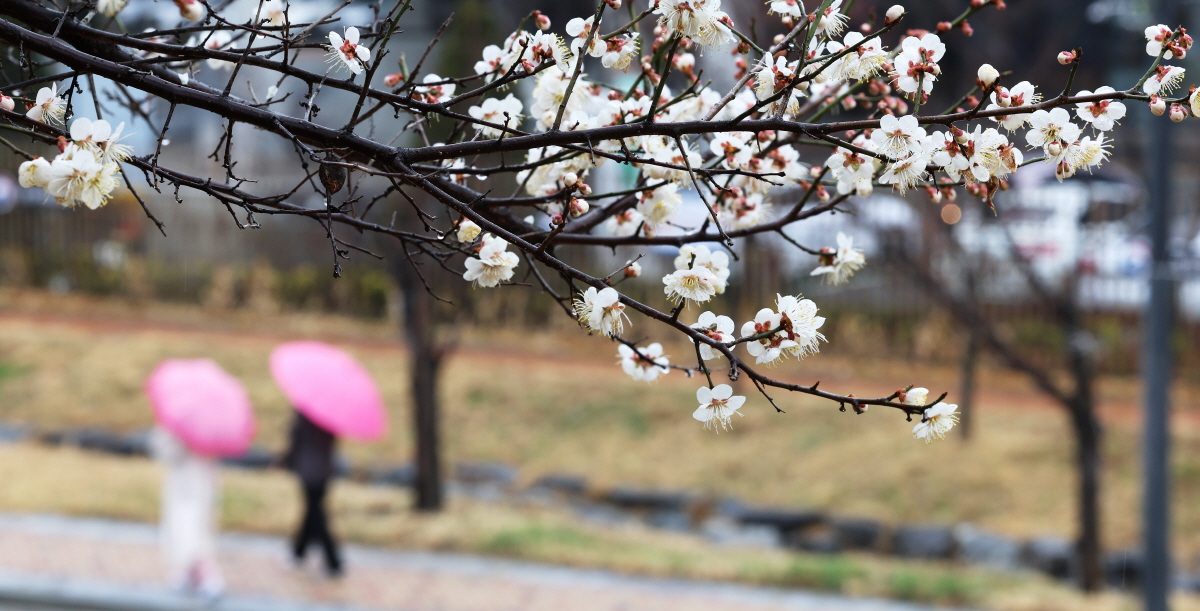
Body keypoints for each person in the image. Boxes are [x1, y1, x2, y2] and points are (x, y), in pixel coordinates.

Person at [151, 426, 225, 597]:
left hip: (186, 483)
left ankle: (205, 574)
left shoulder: (179, 421)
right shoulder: (209, 422)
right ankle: (191, 572)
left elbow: (166, 451)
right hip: (200, 479)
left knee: (189, 529)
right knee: (195, 528)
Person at [282, 410, 343, 576]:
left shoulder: (305, 414)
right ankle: (299, 551)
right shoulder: (331, 415)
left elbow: (296, 438)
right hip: (325, 468)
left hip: (308, 469)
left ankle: (333, 559)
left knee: (315, 513)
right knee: (313, 510)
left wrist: (287, 460)